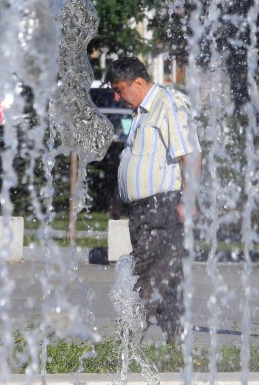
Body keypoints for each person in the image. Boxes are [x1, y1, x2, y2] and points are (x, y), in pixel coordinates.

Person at [106, 57, 202, 343]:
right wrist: (119, 197)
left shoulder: (168, 104)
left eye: (119, 89)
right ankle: (180, 344)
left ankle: (127, 343)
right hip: (143, 210)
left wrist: (189, 199)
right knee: (168, 281)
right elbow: (138, 159)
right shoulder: (141, 112)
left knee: (146, 273)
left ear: (138, 82)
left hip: (164, 207)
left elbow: (191, 155)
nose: (116, 96)